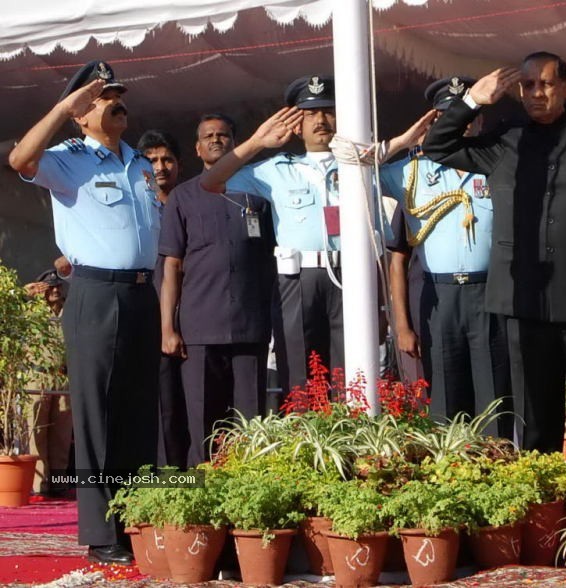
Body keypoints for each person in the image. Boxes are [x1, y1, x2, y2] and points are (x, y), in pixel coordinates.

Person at [423, 52, 566, 464]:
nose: (536, 93)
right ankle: (544, 502)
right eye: (528, 86)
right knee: (535, 413)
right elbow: (438, 145)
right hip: (524, 296)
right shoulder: (506, 139)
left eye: (545, 84)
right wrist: (472, 101)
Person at [8, 60, 160, 564]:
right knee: (96, 415)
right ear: (80, 113)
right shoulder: (69, 158)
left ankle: (135, 517)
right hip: (96, 294)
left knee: (137, 410)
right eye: (99, 96)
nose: (114, 101)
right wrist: (61, 109)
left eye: (115, 93)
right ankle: (100, 532)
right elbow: (19, 159)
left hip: (142, 292)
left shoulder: (139, 162)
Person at [202, 76, 424, 396]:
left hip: (351, 273)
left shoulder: (361, 166)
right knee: (300, 371)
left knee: (353, 372)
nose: (321, 120)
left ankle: (350, 440)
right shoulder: (277, 169)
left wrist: (381, 307)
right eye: (310, 114)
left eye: (328, 111)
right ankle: (306, 442)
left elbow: (379, 241)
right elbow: (211, 182)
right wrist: (257, 142)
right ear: (297, 125)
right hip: (298, 279)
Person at [383, 76, 510, 437]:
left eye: (470, 113)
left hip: (488, 291)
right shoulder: (411, 172)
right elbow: (356, 168)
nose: (464, 122)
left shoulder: (497, 163)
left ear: (480, 117)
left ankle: (497, 472)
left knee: (494, 396)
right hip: (439, 297)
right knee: (444, 397)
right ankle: (452, 475)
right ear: (434, 120)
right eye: (449, 115)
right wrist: (405, 141)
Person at [160, 113, 284, 466]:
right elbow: (171, 265)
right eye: (209, 136)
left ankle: (248, 496)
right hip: (200, 328)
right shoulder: (183, 198)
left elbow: (272, 260)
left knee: (251, 425)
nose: (217, 140)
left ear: (235, 142)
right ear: (198, 148)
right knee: (202, 423)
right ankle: (201, 501)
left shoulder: (258, 196)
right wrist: (167, 327)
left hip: (250, 327)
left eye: (224, 135)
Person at [137, 129, 189, 469]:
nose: (160, 167)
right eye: (152, 160)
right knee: (159, 407)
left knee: (186, 405)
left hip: (194, 316)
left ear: (179, 165)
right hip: (147, 317)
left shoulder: (191, 203)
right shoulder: (136, 209)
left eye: (167, 159)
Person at [24, 269, 72, 497]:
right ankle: (38, 484)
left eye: (58, 286)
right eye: (49, 287)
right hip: (38, 375)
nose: (55, 290)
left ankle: (58, 481)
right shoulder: (33, 313)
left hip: (62, 377)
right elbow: (10, 313)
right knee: (37, 431)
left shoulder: (69, 311)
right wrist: (25, 293)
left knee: (62, 432)